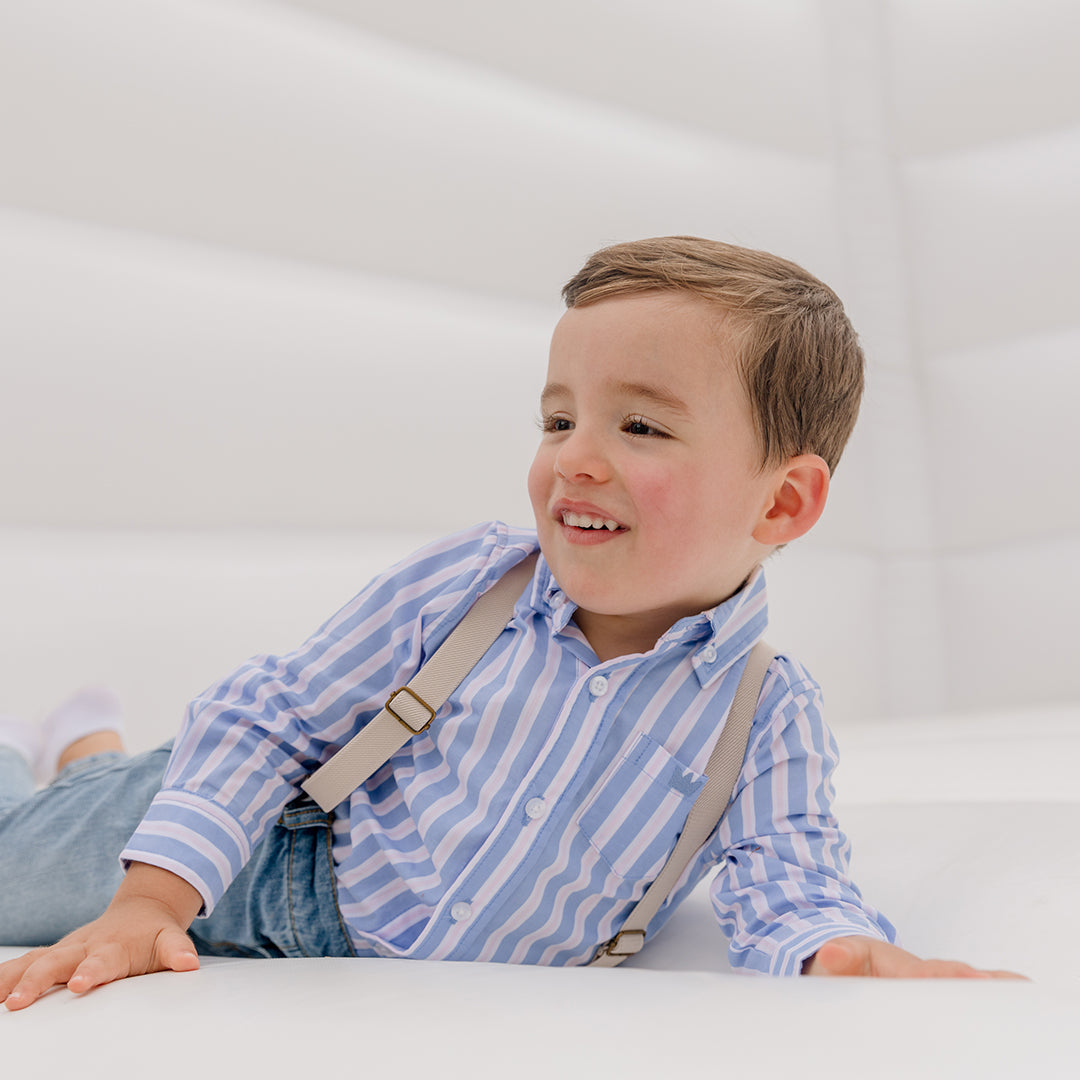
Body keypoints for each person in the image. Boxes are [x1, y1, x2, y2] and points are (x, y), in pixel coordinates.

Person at [0, 237, 1019, 1011]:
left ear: (782, 505)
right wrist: (150, 903)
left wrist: (838, 950)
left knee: (83, 796)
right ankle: (66, 762)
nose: (575, 456)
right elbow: (268, 720)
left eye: (641, 426)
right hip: (272, 856)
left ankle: (86, 743)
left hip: (343, 924)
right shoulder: (469, 589)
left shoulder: (765, 718)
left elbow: (788, 881)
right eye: (558, 417)